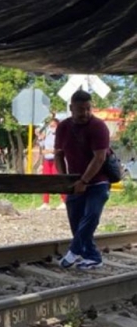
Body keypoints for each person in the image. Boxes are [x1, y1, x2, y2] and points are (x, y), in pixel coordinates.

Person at [55, 90, 111, 270]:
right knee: (75, 219)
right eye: (80, 109)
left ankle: (74, 251)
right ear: (71, 108)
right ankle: (92, 256)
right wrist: (64, 179)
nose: (85, 113)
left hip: (98, 181)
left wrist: (85, 181)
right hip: (74, 180)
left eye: (88, 108)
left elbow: (100, 157)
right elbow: (58, 154)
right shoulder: (63, 127)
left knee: (91, 216)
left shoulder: (98, 127)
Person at [37, 118, 67, 210]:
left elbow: (62, 149)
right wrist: (40, 138)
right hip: (47, 159)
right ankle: (45, 202)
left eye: (53, 126)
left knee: (58, 180)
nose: (51, 128)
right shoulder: (48, 134)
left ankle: (64, 201)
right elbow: (42, 147)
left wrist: (51, 151)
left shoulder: (61, 136)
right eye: (50, 126)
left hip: (56, 160)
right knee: (46, 181)